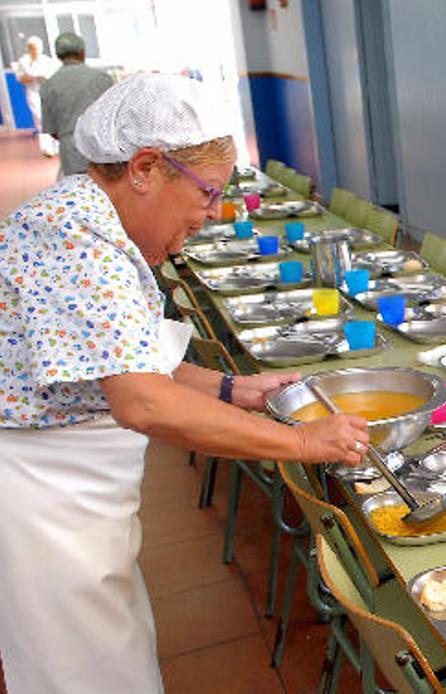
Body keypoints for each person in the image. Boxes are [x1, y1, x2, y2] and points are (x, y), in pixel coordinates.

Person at [0, 73, 371, 693]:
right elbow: (142, 399)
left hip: (66, 491)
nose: (211, 215)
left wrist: (231, 389)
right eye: (207, 194)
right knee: (83, 673)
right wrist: (304, 445)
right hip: (39, 494)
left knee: (111, 655)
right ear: (145, 167)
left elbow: (124, 360)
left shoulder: (89, 219)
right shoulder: (77, 238)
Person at [39, 32, 113, 178]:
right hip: (102, 147)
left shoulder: (49, 85)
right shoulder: (102, 79)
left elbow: (52, 129)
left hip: (71, 151)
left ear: (58, 56)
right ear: (82, 52)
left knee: (78, 194)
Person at [13, 35, 59, 156]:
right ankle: (46, 148)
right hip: (33, 92)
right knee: (40, 119)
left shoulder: (47, 61)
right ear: (28, 48)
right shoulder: (23, 61)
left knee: (53, 119)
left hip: (48, 92)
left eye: (37, 47)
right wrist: (35, 78)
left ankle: (56, 146)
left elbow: (54, 77)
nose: (35, 50)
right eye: (32, 47)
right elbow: (20, 78)